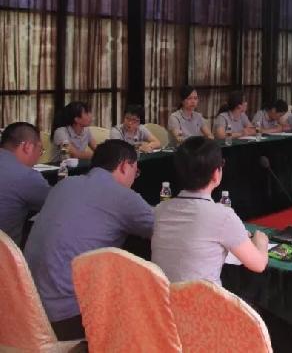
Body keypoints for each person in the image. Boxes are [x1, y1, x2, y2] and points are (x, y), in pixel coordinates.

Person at [24, 140, 154, 340]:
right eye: (135, 172)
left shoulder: (64, 184)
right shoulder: (123, 196)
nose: (134, 179)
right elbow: (163, 231)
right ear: (124, 166)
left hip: (26, 306)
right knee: (144, 302)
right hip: (66, 317)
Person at [151, 137, 269, 286]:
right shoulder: (223, 216)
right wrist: (261, 242)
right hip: (202, 300)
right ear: (216, 173)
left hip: (163, 298)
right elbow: (258, 265)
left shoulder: (160, 210)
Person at [0, 123, 51, 246]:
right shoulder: (26, 176)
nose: (38, 156)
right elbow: (55, 205)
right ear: (27, 147)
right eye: (40, 150)